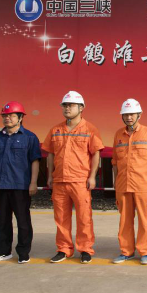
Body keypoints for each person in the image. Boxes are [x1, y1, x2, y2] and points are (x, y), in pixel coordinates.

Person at [42, 91, 104, 264]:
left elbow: (96, 154)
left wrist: (92, 177)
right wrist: (50, 175)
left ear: (81, 108)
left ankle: (85, 249)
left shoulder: (90, 129)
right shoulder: (55, 130)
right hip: (59, 180)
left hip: (80, 180)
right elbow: (50, 155)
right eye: (65, 105)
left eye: (71, 105)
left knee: (84, 217)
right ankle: (64, 249)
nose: (67, 108)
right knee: (61, 218)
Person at [0, 102, 41, 264]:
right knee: (3, 221)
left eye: (11, 115)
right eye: (5, 115)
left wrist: (33, 183)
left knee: (23, 221)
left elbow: (35, 161)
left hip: (20, 186)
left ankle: (23, 252)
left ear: (20, 118)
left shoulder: (30, 137)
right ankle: (3, 251)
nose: (7, 118)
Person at [111, 99, 147, 265]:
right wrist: (116, 180)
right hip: (123, 184)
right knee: (125, 220)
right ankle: (126, 251)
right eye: (126, 114)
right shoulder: (118, 134)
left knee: (144, 219)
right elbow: (115, 162)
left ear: (139, 115)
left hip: (143, 184)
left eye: (132, 114)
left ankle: (145, 252)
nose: (129, 117)